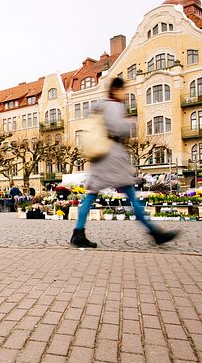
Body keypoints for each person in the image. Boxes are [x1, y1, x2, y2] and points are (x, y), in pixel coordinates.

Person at [71, 77, 179, 248]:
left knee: (91, 195)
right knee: (130, 195)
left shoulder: (99, 106)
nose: (125, 95)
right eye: (123, 91)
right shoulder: (114, 105)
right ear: (115, 90)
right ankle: (154, 232)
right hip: (112, 157)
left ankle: (78, 233)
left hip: (99, 158)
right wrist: (130, 124)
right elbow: (116, 128)